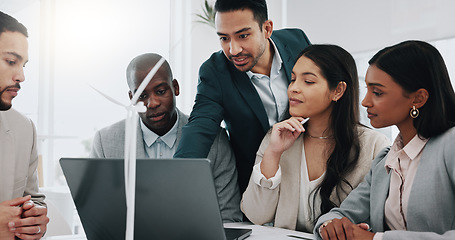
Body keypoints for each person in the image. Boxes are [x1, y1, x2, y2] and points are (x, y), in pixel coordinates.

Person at [241, 44, 390, 233]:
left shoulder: (375, 146)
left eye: (308, 82)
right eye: (293, 79)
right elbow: (256, 216)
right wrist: (273, 153)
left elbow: (379, 222)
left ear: (338, 90)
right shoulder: (277, 137)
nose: (294, 88)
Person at [315, 40, 455, 240]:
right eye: (367, 90)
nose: (365, 102)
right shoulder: (385, 160)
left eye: (377, 92)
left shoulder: (450, 145)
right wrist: (330, 227)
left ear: (418, 98)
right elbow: (339, 215)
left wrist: (375, 239)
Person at [174, 0, 311, 194]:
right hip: (256, 186)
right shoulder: (215, 71)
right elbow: (200, 126)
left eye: (243, 36)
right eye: (224, 38)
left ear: (267, 29)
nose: (233, 50)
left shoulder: (297, 41)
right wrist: (176, 177)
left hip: (309, 175)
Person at [90, 53, 242, 222]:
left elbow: (229, 218)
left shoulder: (215, 140)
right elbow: (98, 216)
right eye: (142, 95)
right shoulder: (105, 142)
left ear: (175, 87)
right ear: (131, 99)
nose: (152, 103)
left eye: (161, 91)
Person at [0, 11, 49, 240]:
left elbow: (33, 199)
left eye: (23, 64)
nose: (21, 76)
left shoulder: (24, 128)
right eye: (11, 62)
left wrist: (35, 221)